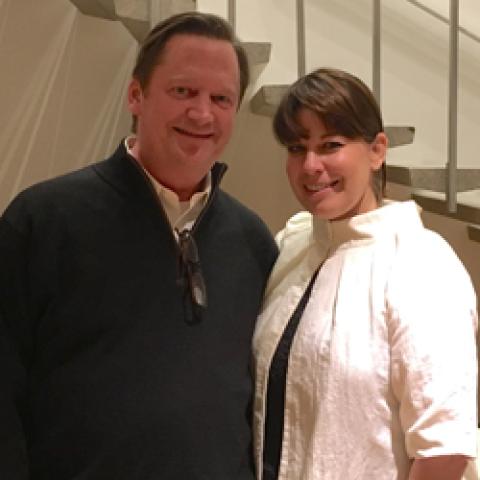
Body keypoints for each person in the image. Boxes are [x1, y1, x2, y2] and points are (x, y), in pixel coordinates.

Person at [0, 12, 278, 480]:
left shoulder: (253, 242)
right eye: (183, 91)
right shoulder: (44, 221)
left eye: (221, 98)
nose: (202, 114)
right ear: (136, 95)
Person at [252, 68, 478, 480]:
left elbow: (443, 449)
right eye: (297, 147)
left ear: (377, 151)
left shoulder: (420, 264)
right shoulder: (294, 244)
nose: (310, 165)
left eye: (331, 145)